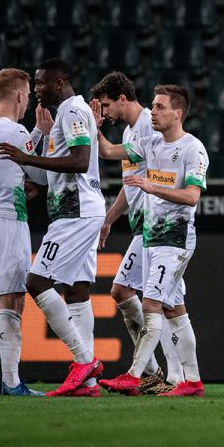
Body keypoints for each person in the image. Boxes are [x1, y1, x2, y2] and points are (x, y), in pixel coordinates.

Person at [0, 58, 106, 397]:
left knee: (36, 280)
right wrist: (39, 141)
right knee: (76, 290)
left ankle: (84, 360)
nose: (37, 89)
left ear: (60, 82)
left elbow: (80, 161)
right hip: (77, 210)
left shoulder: (72, 111)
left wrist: (26, 158)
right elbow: (50, 174)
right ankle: (87, 383)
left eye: (42, 82)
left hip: (75, 213)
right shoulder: (64, 115)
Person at [98, 85, 208, 397]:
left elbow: (191, 196)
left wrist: (151, 187)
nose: (153, 112)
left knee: (152, 303)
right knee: (174, 309)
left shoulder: (193, 149)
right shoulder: (149, 143)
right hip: (151, 237)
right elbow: (108, 152)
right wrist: (93, 128)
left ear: (178, 113)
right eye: (153, 106)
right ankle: (193, 381)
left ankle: (135, 375)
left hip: (176, 237)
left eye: (160, 107)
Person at [89, 71, 181, 394]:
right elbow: (130, 187)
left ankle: (156, 373)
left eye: (106, 105)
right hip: (144, 227)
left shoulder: (148, 125)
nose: (105, 112)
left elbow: (113, 156)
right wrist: (110, 218)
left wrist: (93, 128)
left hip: (156, 229)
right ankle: (172, 375)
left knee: (130, 293)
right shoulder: (132, 131)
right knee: (165, 304)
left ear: (123, 99)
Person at [0, 68, 48, 396]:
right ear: (19, 96)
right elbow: (41, 176)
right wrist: (41, 133)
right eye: (28, 95)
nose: (29, 100)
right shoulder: (17, 132)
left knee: (4, 295)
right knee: (15, 297)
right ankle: (12, 381)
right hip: (6, 218)